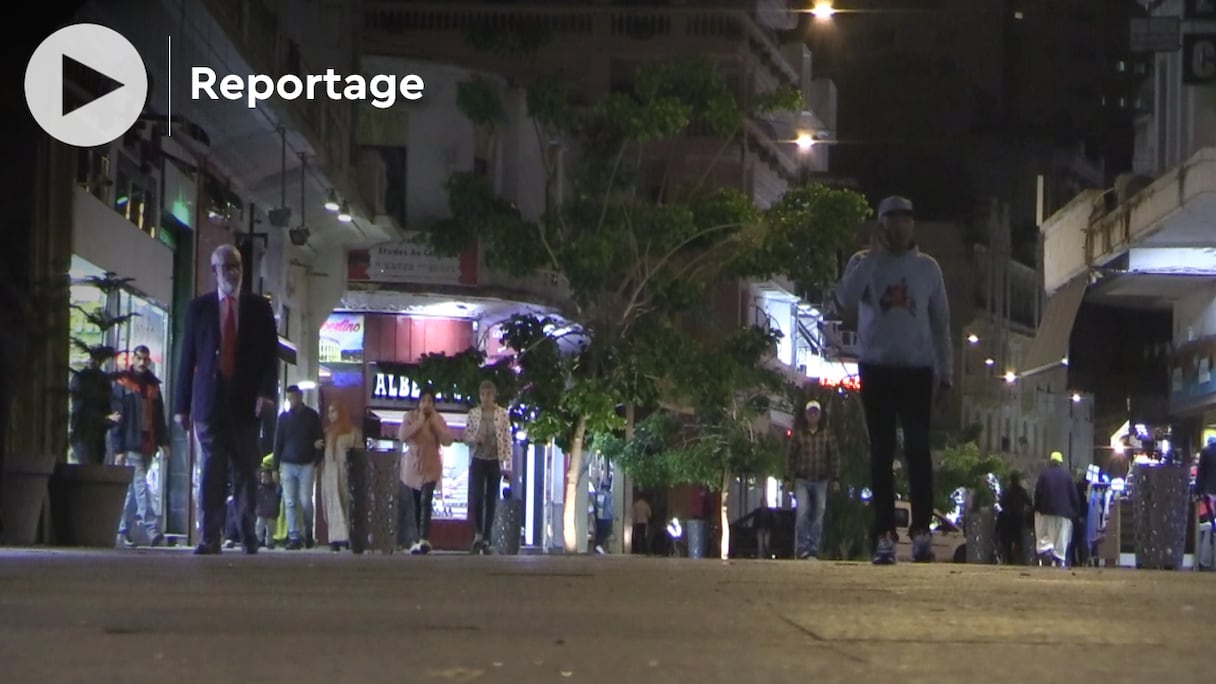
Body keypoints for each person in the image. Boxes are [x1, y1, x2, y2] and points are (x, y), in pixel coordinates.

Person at [832, 195, 952, 565]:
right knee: (880, 453)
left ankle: (920, 532)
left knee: (918, 452)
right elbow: (845, 301)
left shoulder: (928, 269)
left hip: (917, 371)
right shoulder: (862, 263)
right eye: (891, 221)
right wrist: (870, 258)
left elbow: (940, 324)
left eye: (905, 220)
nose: (898, 228)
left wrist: (944, 374)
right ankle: (883, 533)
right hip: (877, 368)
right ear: (880, 225)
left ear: (913, 225)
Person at [175, 244, 279, 556]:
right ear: (214, 271)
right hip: (210, 402)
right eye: (226, 267)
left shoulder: (259, 309)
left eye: (236, 266)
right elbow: (187, 357)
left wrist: (266, 393)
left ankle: (247, 530)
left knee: (246, 469)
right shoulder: (199, 308)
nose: (232, 273)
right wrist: (182, 405)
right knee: (212, 470)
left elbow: (269, 358)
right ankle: (210, 535)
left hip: (246, 402)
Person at [112, 345, 170, 548]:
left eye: (145, 359)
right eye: (139, 358)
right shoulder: (124, 384)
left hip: (147, 443)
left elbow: (159, 417)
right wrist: (118, 448)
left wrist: (163, 442)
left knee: (133, 490)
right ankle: (152, 528)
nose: (142, 362)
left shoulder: (153, 386)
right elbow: (118, 417)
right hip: (131, 443)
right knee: (140, 485)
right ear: (133, 359)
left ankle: (121, 530)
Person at [783, 400, 840, 560]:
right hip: (802, 479)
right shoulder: (799, 434)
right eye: (810, 413)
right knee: (802, 511)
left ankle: (814, 547)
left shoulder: (827, 434)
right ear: (806, 415)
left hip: (821, 480)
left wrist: (836, 478)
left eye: (816, 413)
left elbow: (834, 457)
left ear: (820, 415)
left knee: (819, 512)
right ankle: (802, 547)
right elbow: (790, 456)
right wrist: (788, 477)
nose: (813, 416)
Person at [398, 388, 451, 554]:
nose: (426, 404)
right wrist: (420, 422)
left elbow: (447, 440)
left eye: (429, 401)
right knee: (414, 503)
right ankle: (414, 540)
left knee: (426, 500)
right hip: (412, 467)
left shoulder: (438, 419)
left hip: (430, 466)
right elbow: (402, 436)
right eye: (423, 400)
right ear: (418, 403)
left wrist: (434, 423)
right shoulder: (410, 417)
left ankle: (424, 538)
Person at [464, 380, 512, 555]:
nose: (486, 398)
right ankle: (477, 532)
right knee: (477, 497)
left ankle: (486, 538)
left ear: (494, 395)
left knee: (491, 498)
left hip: (494, 460)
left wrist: (507, 466)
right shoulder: (473, 414)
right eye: (483, 395)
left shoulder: (502, 415)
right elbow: (466, 436)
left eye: (489, 394)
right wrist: (475, 439)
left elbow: (507, 440)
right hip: (478, 458)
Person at [273, 385, 324, 550]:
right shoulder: (283, 419)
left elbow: (320, 440)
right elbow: (278, 443)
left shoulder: (312, 417)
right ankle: (294, 535)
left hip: (306, 464)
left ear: (300, 397)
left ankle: (308, 532)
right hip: (288, 464)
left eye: (292, 398)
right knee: (289, 502)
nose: (290, 401)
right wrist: (275, 467)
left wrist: (316, 460)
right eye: (288, 399)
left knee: (305, 501)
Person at [321, 401, 358, 552]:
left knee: (346, 503)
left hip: (345, 472)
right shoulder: (327, 432)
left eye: (334, 411)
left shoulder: (352, 432)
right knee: (331, 505)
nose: (331, 415)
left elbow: (358, 451)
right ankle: (334, 539)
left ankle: (347, 537)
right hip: (330, 473)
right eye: (329, 412)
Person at [1033, 451, 1080, 568]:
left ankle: (1046, 553)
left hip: (1045, 511)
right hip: (1063, 513)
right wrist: (1076, 512)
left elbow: (1037, 493)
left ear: (1050, 462)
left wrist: (1037, 508)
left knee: (1044, 536)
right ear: (1060, 463)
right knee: (1061, 538)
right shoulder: (1067, 476)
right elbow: (1074, 496)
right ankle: (1058, 558)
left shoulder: (1043, 475)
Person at [997, 470, 1032, 565]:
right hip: (1018, 519)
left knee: (1007, 542)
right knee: (1019, 541)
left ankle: (1008, 560)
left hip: (1007, 519)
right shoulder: (1022, 491)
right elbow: (1030, 502)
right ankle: (1019, 560)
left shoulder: (1006, 491)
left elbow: (1001, 503)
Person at [255, 456, 281, 550]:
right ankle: (258, 540)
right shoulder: (259, 489)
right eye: (262, 477)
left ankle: (269, 542)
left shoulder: (274, 489)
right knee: (259, 527)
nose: (264, 479)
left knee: (270, 529)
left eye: (266, 477)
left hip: (271, 513)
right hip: (261, 512)